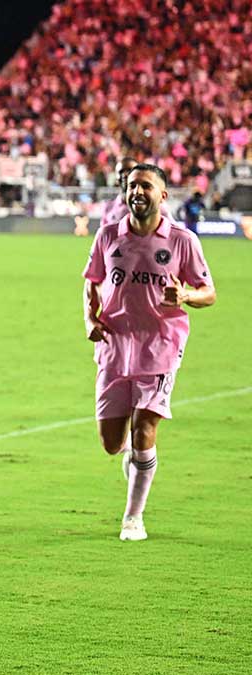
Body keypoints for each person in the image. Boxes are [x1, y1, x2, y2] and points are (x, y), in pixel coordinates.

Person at [82, 163, 216, 542]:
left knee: (144, 429)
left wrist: (186, 295)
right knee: (112, 443)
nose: (137, 192)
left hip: (160, 344)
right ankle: (138, 464)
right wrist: (89, 320)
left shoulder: (181, 240)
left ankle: (132, 519)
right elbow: (91, 283)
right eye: (132, 187)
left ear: (162, 195)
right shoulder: (108, 235)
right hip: (114, 343)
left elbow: (209, 292)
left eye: (145, 186)